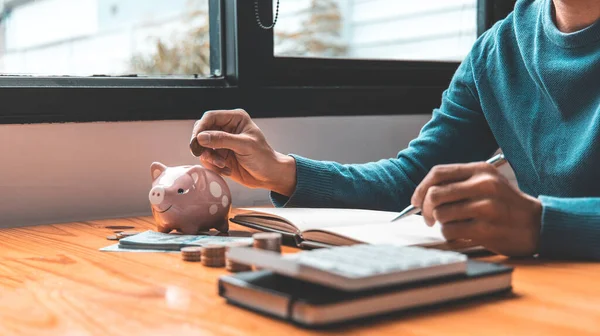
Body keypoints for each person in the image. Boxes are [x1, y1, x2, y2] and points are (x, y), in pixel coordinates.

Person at [190, 0, 600, 260]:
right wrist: (282, 171)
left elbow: (537, 224)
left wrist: (542, 223)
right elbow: (411, 180)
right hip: (545, 289)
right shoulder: (498, 51)